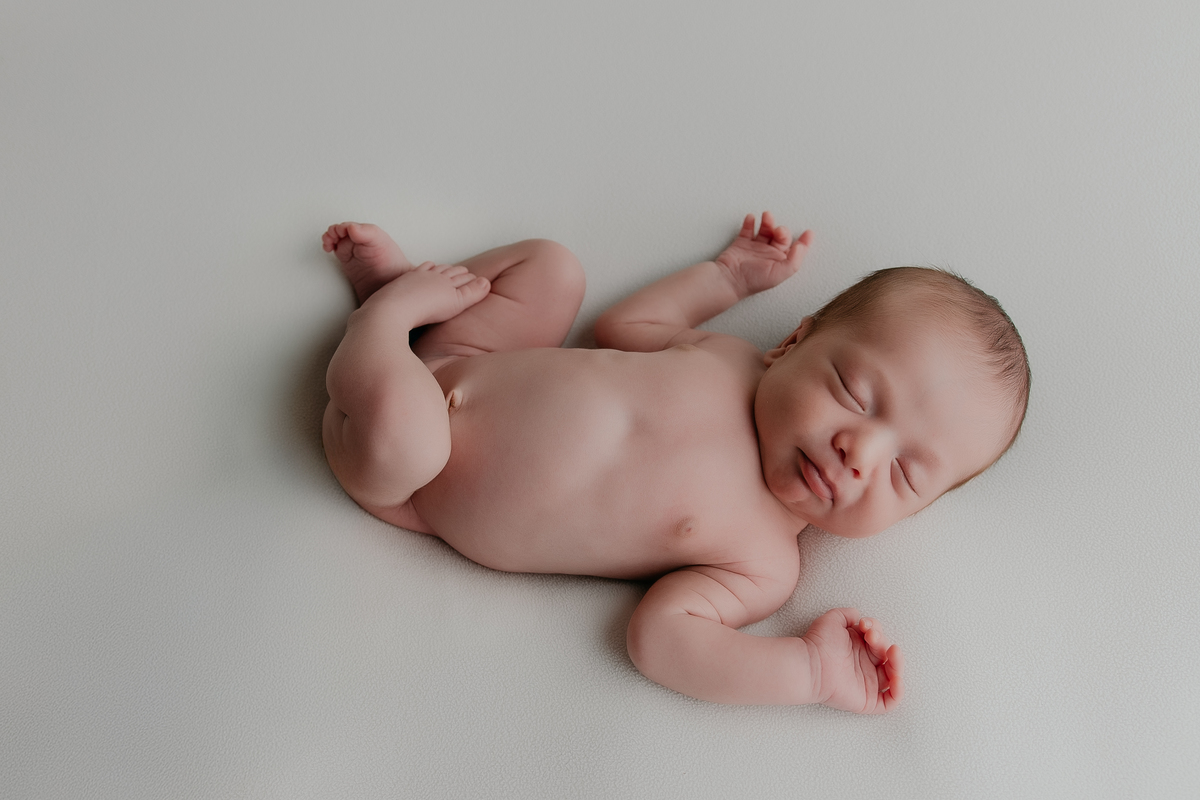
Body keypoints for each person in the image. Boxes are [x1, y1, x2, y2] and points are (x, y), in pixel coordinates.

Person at [319, 212, 1029, 711]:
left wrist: (808, 670)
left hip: (414, 479)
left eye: (905, 475)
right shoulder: (727, 357)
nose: (860, 453)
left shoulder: (762, 563)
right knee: (550, 267)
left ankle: (380, 324)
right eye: (852, 392)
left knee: (408, 436)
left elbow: (661, 640)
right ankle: (405, 315)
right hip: (470, 355)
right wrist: (726, 277)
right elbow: (623, 328)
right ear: (790, 343)